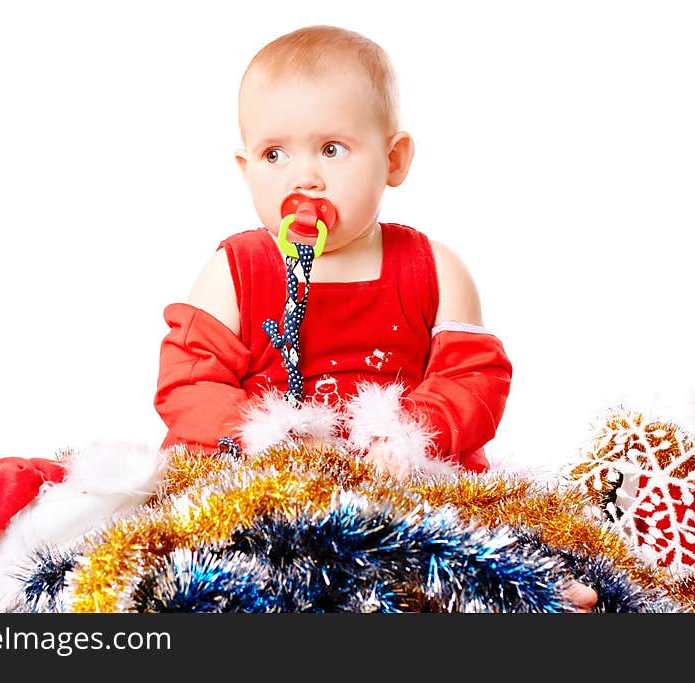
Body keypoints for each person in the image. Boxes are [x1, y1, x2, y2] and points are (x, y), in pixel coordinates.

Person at [154, 24, 597, 612]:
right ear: (245, 168)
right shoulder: (236, 269)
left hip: (400, 485)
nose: (303, 176)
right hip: (270, 489)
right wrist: (258, 433)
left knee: (460, 530)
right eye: (274, 154)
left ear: (394, 159)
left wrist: (412, 433)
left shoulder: (433, 266)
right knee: (215, 552)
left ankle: (520, 583)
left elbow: (475, 381)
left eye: (332, 149)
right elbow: (188, 383)